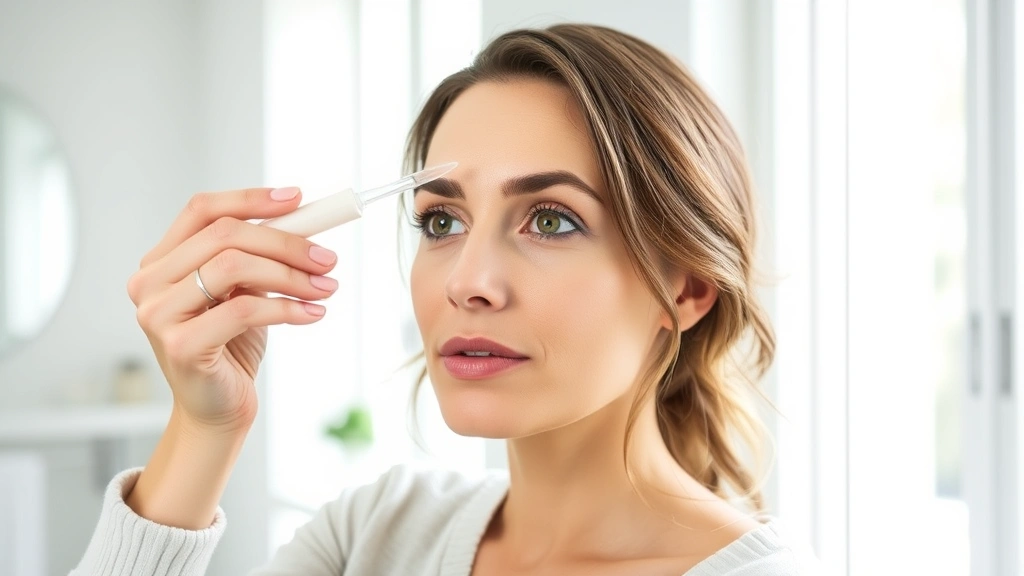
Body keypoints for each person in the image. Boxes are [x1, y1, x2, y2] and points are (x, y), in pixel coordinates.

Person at [72, 23, 821, 575]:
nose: (467, 281)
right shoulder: (375, 536)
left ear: (687, 288)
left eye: (551, 221)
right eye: (442, 222)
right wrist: (204, 427)